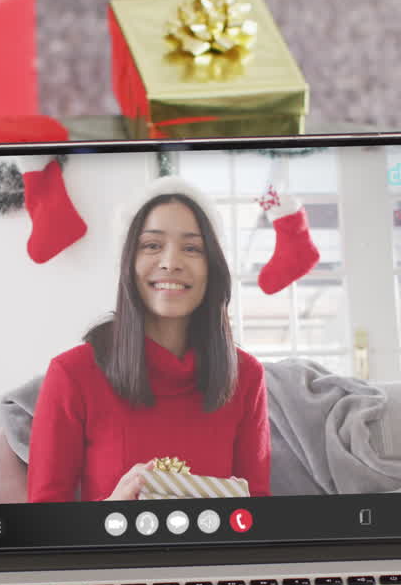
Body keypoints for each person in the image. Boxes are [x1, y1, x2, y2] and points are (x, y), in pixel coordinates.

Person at [26, 176, 271, 502]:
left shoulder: (247, 376)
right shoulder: (72, 374)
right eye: (152, 245)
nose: (171, 263)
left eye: (192, 248)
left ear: (212, 267)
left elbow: (256, 511)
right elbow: (44, 525)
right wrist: (110, 516)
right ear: (128, 263)